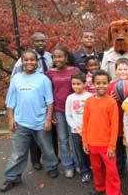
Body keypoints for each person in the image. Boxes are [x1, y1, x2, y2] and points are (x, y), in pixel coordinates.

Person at [0, 50, 59, 192]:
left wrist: (48, 119)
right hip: (20, 122)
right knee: (17, 153)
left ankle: (51, 167)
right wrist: (10, 119)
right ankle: (12, 177)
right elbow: (10, 102)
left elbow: (49, 101)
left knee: (47, 149)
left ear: (37, 62)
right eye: (26, 60)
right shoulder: (16, 79)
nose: (29, 62)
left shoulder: (43, 79)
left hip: (40, 122)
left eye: (32, 60)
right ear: (22, 62)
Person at [82, 70, 128, 195]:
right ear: (93, 84)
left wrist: (112, 146)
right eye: (98, 83)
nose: (101, 86)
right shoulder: (89, 101)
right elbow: (85, 122)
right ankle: (100, 187)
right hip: (92, 143)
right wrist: (85, 141)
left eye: (104, 83)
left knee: (112, 173)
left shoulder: (111, 102)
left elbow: (115, 126)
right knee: (96, 168)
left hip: (107, 145)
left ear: (108, 84)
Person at [11, 32, 57, 171]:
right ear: (33, 42)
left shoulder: (50, 57)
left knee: (48, 135)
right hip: (31, 101)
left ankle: (52, 161)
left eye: (43, 41)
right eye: (37, 41)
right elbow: (15, 81)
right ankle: (36, 160)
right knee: (32, 136)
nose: (40, 43)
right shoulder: (22, 61)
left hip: (48, 97)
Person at [46, 46, 80, 178]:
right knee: (63, 139)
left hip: (74, 110)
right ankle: (67, 165)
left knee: (74, 138)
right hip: (58, 110)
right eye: (55, 57)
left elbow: (81, 88)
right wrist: (51, 113)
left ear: (66, 57)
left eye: (60, 56)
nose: (57, 59)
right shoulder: (50, 73)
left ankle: (78, 163)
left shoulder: (75, 70)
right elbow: (48, 94)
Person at [106, 58, 128, 177]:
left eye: (125, 69)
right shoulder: (111, 86)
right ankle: (119, 169)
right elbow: (105, 103)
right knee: (118, 148)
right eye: (120, 69)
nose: (123, 72)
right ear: (116, 71)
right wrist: (111, 100)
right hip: (116, 124)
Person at [65, 72, 93, 183]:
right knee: (79, 152)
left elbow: (94, 114)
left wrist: (89, 128)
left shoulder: (90, 97)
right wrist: (76, 128)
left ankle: (93, 168)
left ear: (85, 83)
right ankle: (85, 171)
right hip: (76, 131)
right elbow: (68, 115)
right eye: (73, 84)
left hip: (89, 130)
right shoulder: (70, 98)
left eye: (78, 84)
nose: (76, 86)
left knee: (91, 151)